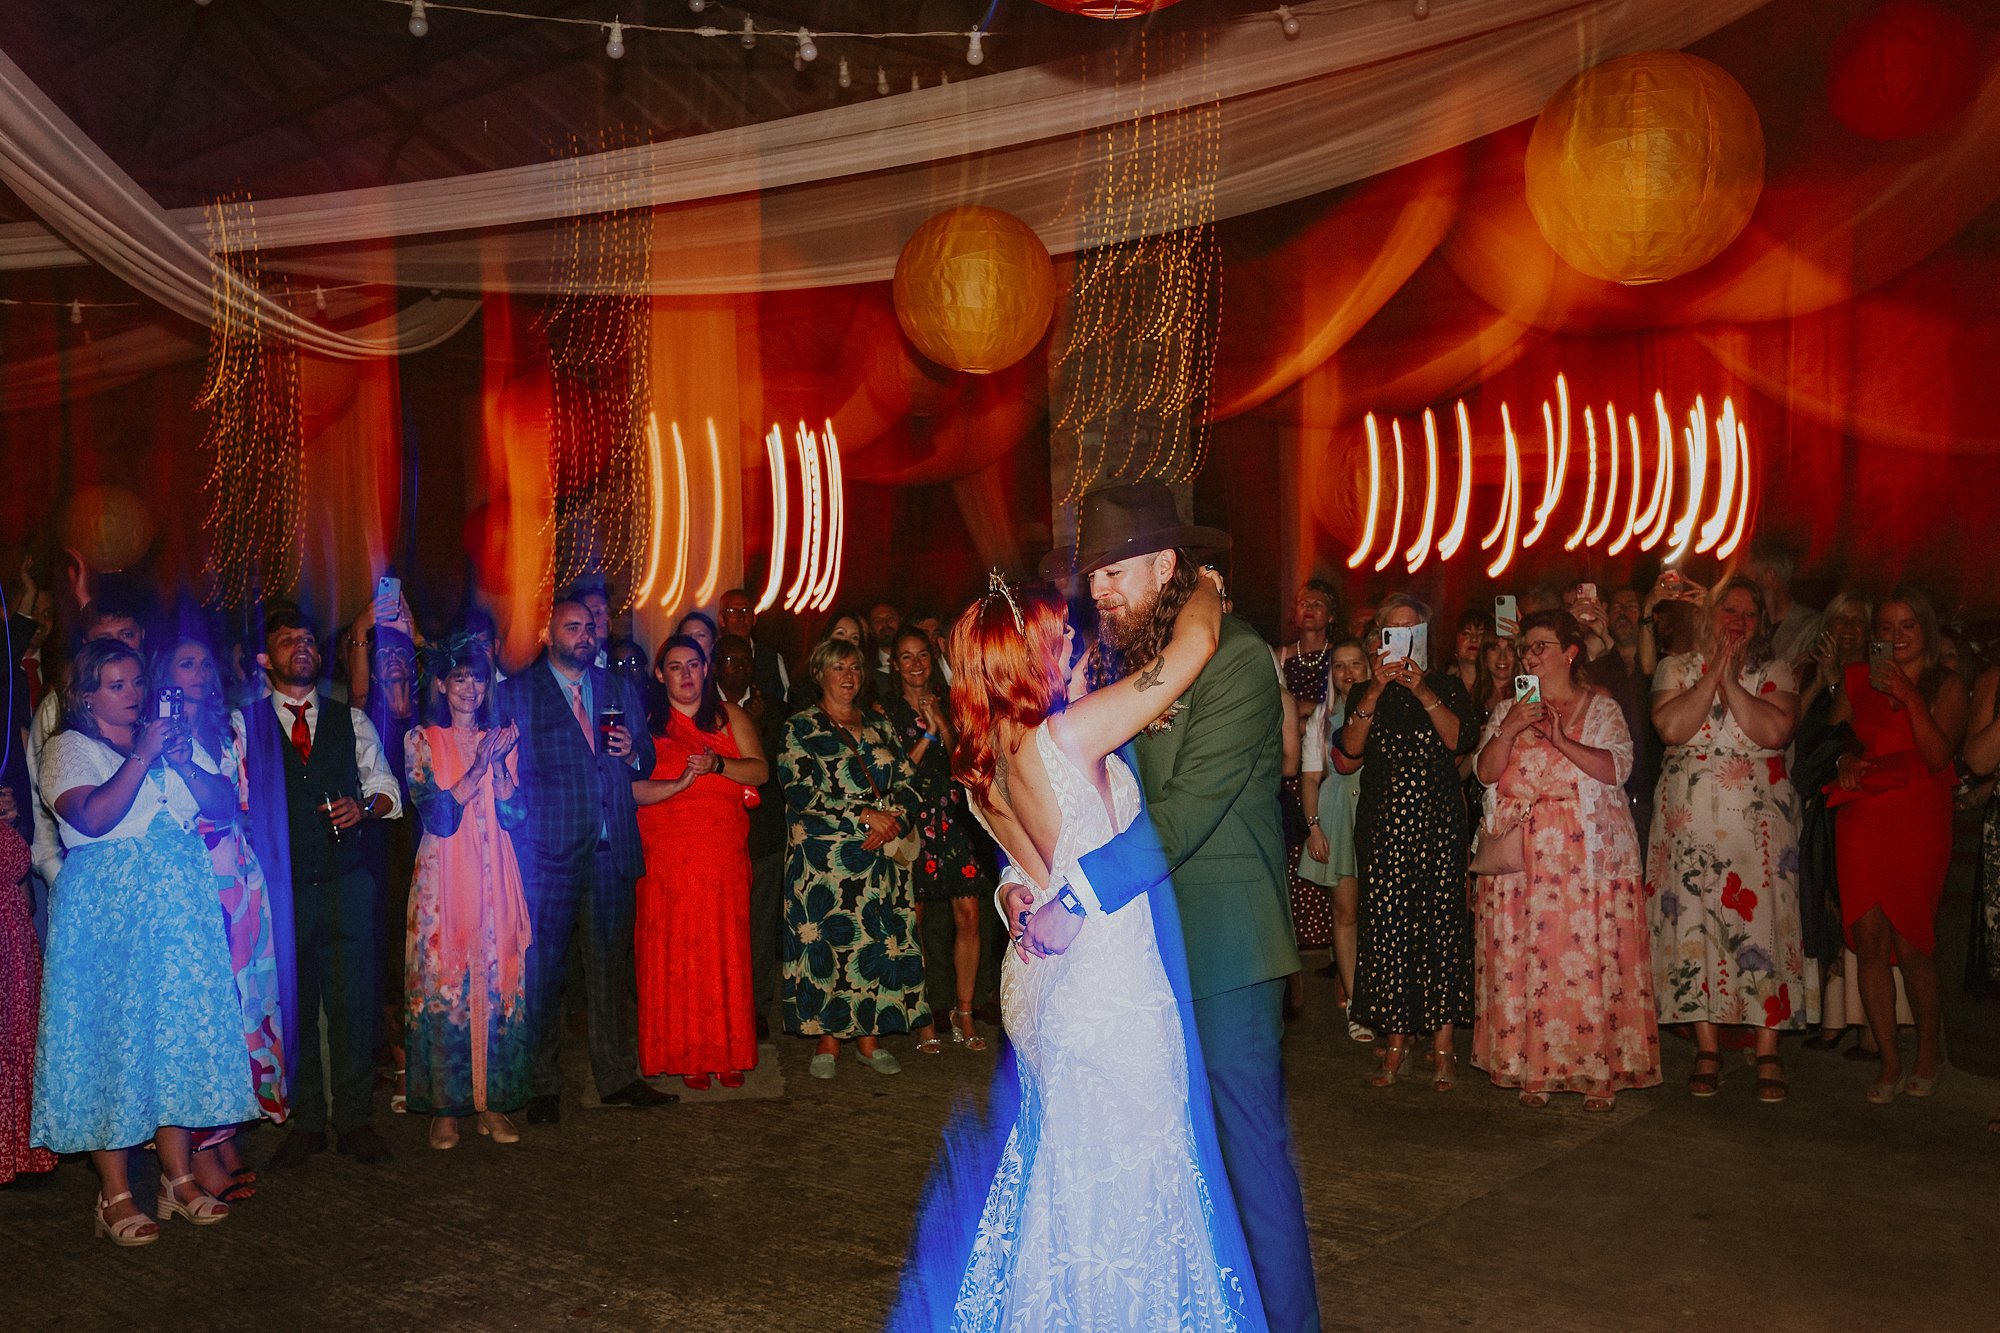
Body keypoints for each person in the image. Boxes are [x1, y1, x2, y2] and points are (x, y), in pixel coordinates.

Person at [894, 561, 1271, 1332]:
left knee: (1071, 1197)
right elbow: (1194, 646)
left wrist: (1009, 894)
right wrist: (1202, 580)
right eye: (1057, 634)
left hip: (1036, 992)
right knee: (1129, 1205)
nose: (1073, 641)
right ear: (1025, 653)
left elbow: (1020, 861)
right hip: (1109, 996)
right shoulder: (1067, 734)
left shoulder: (976, 763)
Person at [1003, 481, 1319, 1333]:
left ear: (1167, 563)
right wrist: (1022, 880)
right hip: (1139, 959)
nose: (1098, 588)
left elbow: (1186, 809)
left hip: (1222, 953)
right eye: (1091, 574)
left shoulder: (1241, 658)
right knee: (1178, 1172)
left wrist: (1077, 894)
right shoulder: (1136, 660)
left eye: (1114, 569)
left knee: (1249, 1167)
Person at [33, 640, 257, 1243]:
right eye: (116, 685)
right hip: (107, 913)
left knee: (174, 1037)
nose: (133, 694)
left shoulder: (171, 743)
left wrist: (181, 762)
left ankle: (178, 1180)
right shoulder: (66, 749)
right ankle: (115, 1193)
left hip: (178, 913)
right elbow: (95, 818)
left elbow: (221, 807)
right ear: (85, 695)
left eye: (137, 682)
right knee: (113, 1038)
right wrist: (141, 756)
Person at [1470, 611, 1661, 1110]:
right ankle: (1534, 1068)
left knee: (1581, 962)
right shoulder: (1510, 708)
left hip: (1583, 856)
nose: (1529, 655)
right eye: (1526, 647)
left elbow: (1617, 768)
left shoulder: (1600, 708)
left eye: (1540, 646)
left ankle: (1594, 1070)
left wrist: (1561, 740)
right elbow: (1486, 773)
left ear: (1569, 652)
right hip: (1522, 859)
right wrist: (1508, 729)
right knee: (1529, 962)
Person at [239, 604, 405, 1168]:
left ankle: (355, 1119)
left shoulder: (348, 720)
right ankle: (307, 1120)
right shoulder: (244, 726)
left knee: (355, 1006)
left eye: (309, 639)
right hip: (282, 894)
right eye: (288, 641)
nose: (302, 648)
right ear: (267, 658)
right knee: (295, 1008)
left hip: (346, 883)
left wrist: (365, 806)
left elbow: (386, 787)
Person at [496, 598, 671, 1122]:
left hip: (610, 846)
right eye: (572, 627)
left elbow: (646, 754)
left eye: (591, 626)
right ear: (547, 635)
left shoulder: (618, 688)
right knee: (545, 970)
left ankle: (617, 1076)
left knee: (608, 969)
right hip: (548, 852)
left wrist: (631, 752)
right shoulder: (518, 693)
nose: (585, 634)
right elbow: (506, 771)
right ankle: (542, 1084)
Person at [1647, 577, 1814, 1103]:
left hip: (1757, 825)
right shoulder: (1675, 666)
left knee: (1763, 924)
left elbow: (1773, 733)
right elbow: (1672, 728)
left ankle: (1767, 1049)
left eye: (1749, 613)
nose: (1738, 621)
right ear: (1708, 615)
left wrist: (1733, 684)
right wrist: (1713, 671)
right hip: (1688, 819)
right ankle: (1707, 1046)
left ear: (1761, 624)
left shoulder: (1776, 671)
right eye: (1729, 610)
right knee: (1693, 921)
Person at [155, 631, 288, 1201]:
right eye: (185, 664)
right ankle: (206, 1146)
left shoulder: (230, 726)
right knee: (208, 1010)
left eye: (204, 664)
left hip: (238, 872)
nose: (200, 673)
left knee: (246, 1003)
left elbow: (247, 802)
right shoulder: (155, 731)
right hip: (192, 874)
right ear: (164, 672)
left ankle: (231, 1129)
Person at [1830, 588, 1967, 1103]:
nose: (1895, 636)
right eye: (1885, 627)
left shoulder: (1945, 685)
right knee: (1869, 939)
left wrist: (1910, 697)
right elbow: (1837, 736)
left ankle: (1927, 1048)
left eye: (1907, 625)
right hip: (1863, 815)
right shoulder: (1855, 678)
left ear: (1925, 632)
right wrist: (1843, 757)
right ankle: (1888, 1061)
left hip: (1917, 818)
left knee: (1911, 942)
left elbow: (1938, 757)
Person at [1339, 593, 1476, 1094]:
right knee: (1390, 928)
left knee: (1440, 925)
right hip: (1384, 824)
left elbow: (1459, 739)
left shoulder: (1446, 684)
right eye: (1391, 630)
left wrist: (1423, 692)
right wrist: (1373, 691)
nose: (1400, 638)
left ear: (1423, 635)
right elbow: (1350, 750)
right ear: (1379, 638)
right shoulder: (1363, 692)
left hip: (1437, 821)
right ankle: (1397, 1042)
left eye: (1410, 629)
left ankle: (1442, 1043)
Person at [779, 638, 934, 1077]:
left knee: (874, 945)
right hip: (826, 863)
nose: (848, 677)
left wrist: (895, 820)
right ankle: (828, 1043)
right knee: (832, 945)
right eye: (838, 668)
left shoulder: (879, 726)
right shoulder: (801, 728)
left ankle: (870, 1039)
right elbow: (799, 791)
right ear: (819, 675)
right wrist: (862, 816)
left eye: (854, 668)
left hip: (879, 860)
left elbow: (908, 782)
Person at [402, 638, 535, 1149]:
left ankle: (493, 1103)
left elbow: (518, 817)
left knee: (499, 984)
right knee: (444, 987)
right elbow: (436, 814)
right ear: (441, 684)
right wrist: (477, 766)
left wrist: (499, 766)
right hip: (441, 884)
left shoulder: (504, 737)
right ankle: (446, 1108)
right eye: (459, 677)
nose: (470, 687)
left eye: (478, 678)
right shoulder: (421, 739)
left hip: (498, 875)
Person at [634, 634, 767, 1089]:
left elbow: (761, 771)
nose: (686, 675)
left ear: (706, 669)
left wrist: (717, 766)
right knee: (678, 951)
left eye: (693, 664)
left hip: (721, 850)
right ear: (659, 673)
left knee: (723, 949)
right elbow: (625, 784)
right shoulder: (646, 722)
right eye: (675, 666)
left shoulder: (730, 716)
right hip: (668, 853)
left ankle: (726, 1051)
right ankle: (686, 1053)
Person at [882, 626, 992, 1051]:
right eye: (905, 657)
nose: (915, 665)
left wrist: (941, 722)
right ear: (894, 664)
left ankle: (964, 1011)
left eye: (922, 655)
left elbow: (963, 755)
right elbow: (895, 770)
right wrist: (926, 734)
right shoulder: (885, 710)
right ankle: (923, 1014)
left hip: (956, 815)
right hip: (913, 817)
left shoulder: (953, 697)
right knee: (916, 920)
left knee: (969, 914)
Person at [1297, 638, 1372, 1043]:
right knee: (1346, 913)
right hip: (1339, 815)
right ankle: (1357, 1006)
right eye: (1340, 666)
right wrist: (1314, 827)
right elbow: (1310, 777)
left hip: (1378, 816)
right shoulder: (1322, 719)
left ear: (1369, 666)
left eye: (1356, 664)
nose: (1348, 673)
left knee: (1380, 914)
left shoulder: (1388, 709)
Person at [716, 633, 788, 1040]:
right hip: (718, 835)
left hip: (762, 836)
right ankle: (721, 1004)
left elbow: (777, 770)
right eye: (730, 659)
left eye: (745, 661)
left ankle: (757, 1008)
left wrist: (760, 723)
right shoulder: (703, 710)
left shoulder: (774, 710)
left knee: (760, 929)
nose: (739, 668)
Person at [0, 790, 55, 1185]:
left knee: (19, 1034)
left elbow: (19, 873)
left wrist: (11, 824)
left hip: (13, 928)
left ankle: (20, 1150)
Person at [719, 587, 790, 704]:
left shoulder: (771, 659)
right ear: (721, 619)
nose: (741, 617)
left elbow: (785, 702)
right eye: (733, 611)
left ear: (754, 618)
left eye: (746, 610)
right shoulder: (712, 659)